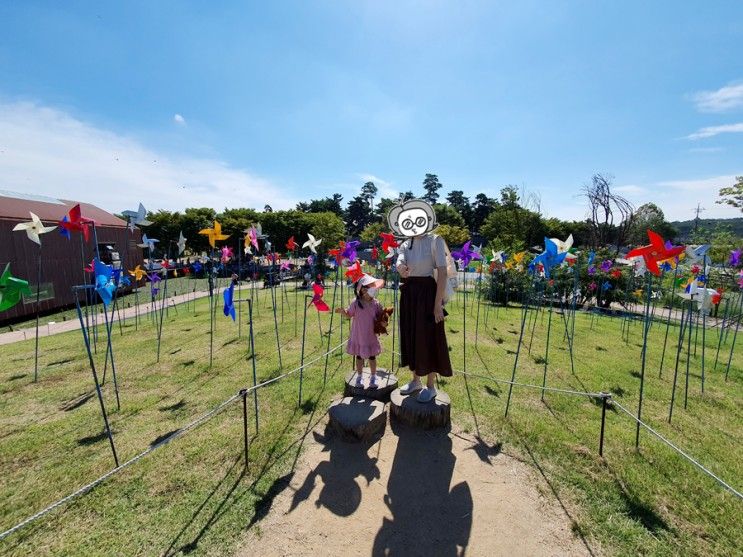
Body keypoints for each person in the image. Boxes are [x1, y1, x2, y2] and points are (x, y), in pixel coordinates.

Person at [388, 198, 453, 403]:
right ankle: (415, 380)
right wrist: (399, 266)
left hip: (428, 293)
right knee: (412, 335)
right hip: (409, 293)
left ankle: (431, 385)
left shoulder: (435, 240)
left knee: (430, 336)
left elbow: (442, 273)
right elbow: (400, 259)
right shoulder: (405, 243)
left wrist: (437, 305)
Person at [336, 273, 385, 389]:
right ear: (363, 290)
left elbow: (381, 316)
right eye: (372, 287)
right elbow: (349, 314)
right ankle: (359, 376)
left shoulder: (375, 303)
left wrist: (384, 321)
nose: (374, 290)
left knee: (372, 357)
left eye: (374, 287)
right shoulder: (356, 303)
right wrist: (343, 312)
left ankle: (373, 377)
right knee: (359, 357)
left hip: (370, 336)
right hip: (358, 336)